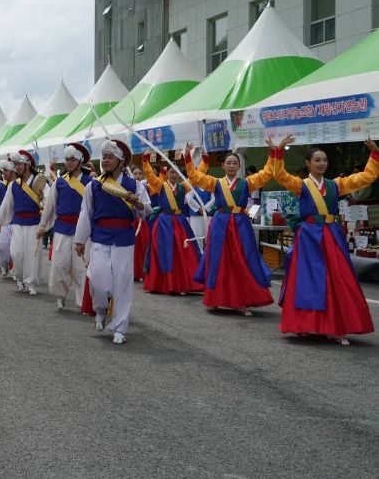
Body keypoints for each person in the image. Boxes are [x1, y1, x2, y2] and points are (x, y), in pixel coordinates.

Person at [269, 135, 379, 345]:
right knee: (307, 279)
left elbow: (365, 177)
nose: (322, 163)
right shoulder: (300, 185)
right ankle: (305, 324)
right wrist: (279, 151)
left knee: (336, 277)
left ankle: (335, 326)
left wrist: (374, 154)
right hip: (308, 236)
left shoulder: (336, 184)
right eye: (317, 160)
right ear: (308, 163)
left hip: (330, 235)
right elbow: (280, 175)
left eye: (325, 160)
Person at [74, 139, 151, 344]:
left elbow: (147, 212)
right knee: (98, 281)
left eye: (110, 157)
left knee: (122, 284)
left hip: (124, 239)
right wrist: (80, 240)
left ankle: (120, 328)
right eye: (104, 157)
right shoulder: (94, 185)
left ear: (121, 161)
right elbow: (85, 213)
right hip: (100, 237)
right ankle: (100, 310)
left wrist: (138, 203)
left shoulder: (135, 185)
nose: (106, 160)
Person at [184, 144, 276, 315]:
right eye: (229, 163)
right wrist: (187, 158)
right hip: (220, 223)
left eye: (235, 163)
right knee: (218, 260)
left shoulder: (247, 183)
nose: (232, 166)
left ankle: (241, 301)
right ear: (223, 166)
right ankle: (214, 299)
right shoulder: (215, 183)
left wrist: (273, 153)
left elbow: (267, 173)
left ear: (239, 166)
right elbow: (195, 177)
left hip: (241, 224)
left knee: (241, 260)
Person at [37, 143, 92, 311]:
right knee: (60, 265)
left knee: (81, 267)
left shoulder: (91, 183)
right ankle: (60, 295)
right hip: (62, 229)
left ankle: (82, 301)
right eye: (67, 159)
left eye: (72, 160)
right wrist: (41, 227)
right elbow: (49, 206)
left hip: (83, 231)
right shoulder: (59, 182)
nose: (69, 162)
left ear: (80, 161)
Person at [140, 156, 204, 295]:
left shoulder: (183, 187)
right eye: (172, 172)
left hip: (180, 222)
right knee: (164, 251)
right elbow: (150, 176)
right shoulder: (160, 185)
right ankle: (165, 283)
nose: (174, 175)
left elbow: (195, 177)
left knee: (183, 251)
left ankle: (183, 282)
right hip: (164, 222)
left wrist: (203, 162)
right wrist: (145, 161)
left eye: (176, 172)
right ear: (167, 173)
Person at [0, 150, 46, 296]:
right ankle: (19, 277)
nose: (17, 167)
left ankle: (31, 283)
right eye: (16, 164)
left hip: (34, 222)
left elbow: (48, 203)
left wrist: (42, 199)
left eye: (20, 164)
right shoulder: (14, 185)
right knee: (16, 252)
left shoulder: (40, 182)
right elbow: (7, 204)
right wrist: (0, 220)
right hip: (17, 222)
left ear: (28, 165)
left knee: (33, 254)